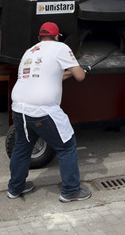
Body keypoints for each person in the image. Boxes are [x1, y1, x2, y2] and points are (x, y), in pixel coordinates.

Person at [7, 22, 89, 202]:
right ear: (57, 36)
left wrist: (70, 72)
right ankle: (70, 190)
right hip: (43, 109)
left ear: (40, 37)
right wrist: (80, 69)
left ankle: (15, 188)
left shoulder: (30, 51)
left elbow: (52, 75)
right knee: (67, 146)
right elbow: (80, 76)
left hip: (19, 108)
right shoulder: (61, 47)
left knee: (22, 147)